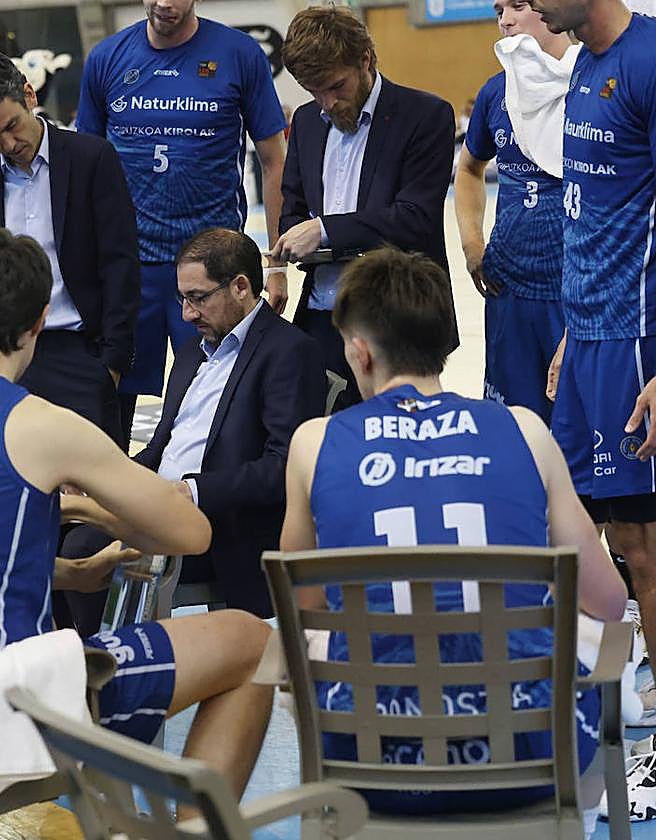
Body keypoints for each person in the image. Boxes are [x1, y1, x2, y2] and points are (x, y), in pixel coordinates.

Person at [0, 227, 275, 800]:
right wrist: (95, 510)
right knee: (252, 641)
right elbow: (192, 532)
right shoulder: (39, 424)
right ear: (37, 326)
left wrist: (73, 565)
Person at [280, 246, 626, 815]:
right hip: (525, 758)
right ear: (445, 342)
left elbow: (308, 607)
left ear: (360, 353)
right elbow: (609, 603)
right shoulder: (524, 431)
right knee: (590, 649)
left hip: (371, 764)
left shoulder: (314, 444)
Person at [77, 0, 288, 441]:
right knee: (109, 402)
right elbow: (84, 167)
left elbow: (273, 162)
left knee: (221, 404)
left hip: (214, 263)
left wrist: (277, 262)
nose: (165, 3)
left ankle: (213, 499)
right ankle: (104, 500)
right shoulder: (106, 59)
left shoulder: (241, 54)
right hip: (129, 264)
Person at [530, 0, 656, 727]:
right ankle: (632, 690)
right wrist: (574, 328)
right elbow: (593, 213)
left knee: (644, 541)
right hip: (588, 334)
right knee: (596, 528)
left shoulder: (647, 61)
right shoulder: (582, 63)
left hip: (636, 339)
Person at [121, 227, 323, 619]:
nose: (186, 314)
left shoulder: (290, 353)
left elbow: (284, 467)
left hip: (223, 530)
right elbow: (162, 446)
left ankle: (108, 659)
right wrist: (106, 478)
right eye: (182, 298)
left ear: (241, 287)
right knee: (54, 532)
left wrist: (192, 492)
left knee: (81, 549)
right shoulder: (190, 351)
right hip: (160, 510)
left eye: (198, 298)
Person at [0, 48, 138, 445]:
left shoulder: (92, 158)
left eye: (12, 126)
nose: (8, 143)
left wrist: (111, 364)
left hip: (80, 354)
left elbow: (120, 263)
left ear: (29, 96)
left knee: (92, 499)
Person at [273, 5, 455, 409]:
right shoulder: (306, 121)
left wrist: (323, 232)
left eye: (336, 85)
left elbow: (415, 218)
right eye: (313, 90)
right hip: (322, 315)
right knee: (326, 440)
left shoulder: (425, 116)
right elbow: (293, 208)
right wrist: (292, 244)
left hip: (396, 318)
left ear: (366, 59)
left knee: (401, 442)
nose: (327, 102)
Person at [454, 0, 571, 424]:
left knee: (580, 432)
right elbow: (468, 169)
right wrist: (472, 244)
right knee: (515, 429)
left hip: (576, 292)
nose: (504, 19)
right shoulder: (494, 93)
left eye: (517, 5)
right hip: (509, 289)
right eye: (497, 9)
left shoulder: (595, 83)